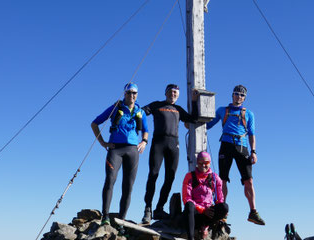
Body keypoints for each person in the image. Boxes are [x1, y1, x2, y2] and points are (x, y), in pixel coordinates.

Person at [205, 84, 265, 225]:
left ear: (244, 98)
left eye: (242, 95)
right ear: (232, 95)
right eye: (237, 94)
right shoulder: (222, 110)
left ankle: (253, 212)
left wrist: (254, 151)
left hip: (242, 146)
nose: (239, 97)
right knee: (222, 180)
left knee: (248, 180)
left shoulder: (249, 114)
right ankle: (222, 211)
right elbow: (207, 124)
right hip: (226, 145)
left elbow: (252, 134)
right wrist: (193, 119)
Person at [91, 83, 149, 224]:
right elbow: (95, 123)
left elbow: (145, 129)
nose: (132, 95)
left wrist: (144, 141)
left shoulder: (140, 112)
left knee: (128, 186)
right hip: (115, 149)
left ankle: (121, 221)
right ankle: (105, 217)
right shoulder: (115, 108)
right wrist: (103, 142)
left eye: (134, 93)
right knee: (110, 180)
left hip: (132, 150)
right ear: (124, 94)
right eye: (129, 93)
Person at [141, 84, 196, 224]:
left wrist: (195, 102)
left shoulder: (178, 109)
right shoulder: (157, 105)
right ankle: (148, 209)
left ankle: (159, 208)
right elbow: (140, 113)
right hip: (158, 142)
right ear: (166, 93)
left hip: (174, 144)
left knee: (170, 177)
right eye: (171, 92)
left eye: (176, 93)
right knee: (153, 175)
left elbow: (193, 118)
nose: (173, 94)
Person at [182, 151, 229, 240]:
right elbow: (186, 199)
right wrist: (203, 210)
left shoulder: (215, 178)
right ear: (197, 163)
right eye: (200, 163)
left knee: (224, 207)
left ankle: (207, 226)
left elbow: (220, 199)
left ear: (210, 163)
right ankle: (191, 237)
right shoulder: (189, 176)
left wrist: (217, 211)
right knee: (189, 205)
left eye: (206, 163)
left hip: (209, 214)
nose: (203, 165)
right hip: (194, 214)